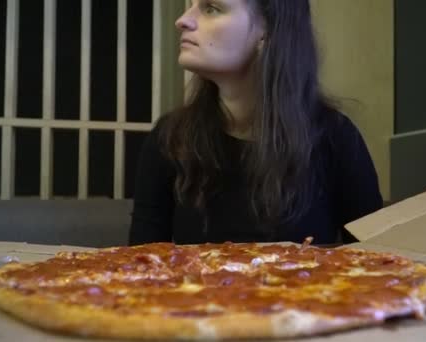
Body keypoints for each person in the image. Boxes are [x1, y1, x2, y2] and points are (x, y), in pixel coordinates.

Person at [129, 0, 382, 245]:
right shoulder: (170, 138)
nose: (182, 20)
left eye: (212, 8)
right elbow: (138, 267)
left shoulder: (335, 137)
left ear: (267, 31)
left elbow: (374, 266)